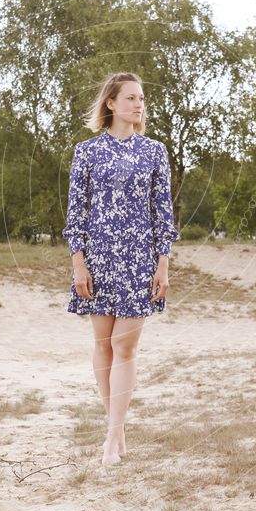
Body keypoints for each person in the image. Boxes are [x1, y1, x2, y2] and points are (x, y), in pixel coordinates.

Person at [62, 72, 180, 468]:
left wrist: (163, 263)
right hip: (97, 260)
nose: (139, 104)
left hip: (139, 261)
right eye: (130, 98)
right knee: (102, 345)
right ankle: (118, 425)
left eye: (141, 99)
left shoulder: (154, 153)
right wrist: (78, 263)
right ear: (111, 103)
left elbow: (163, 214)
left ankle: (112, 438)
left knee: (125, 347)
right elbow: (76, 214)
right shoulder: (87, 152)